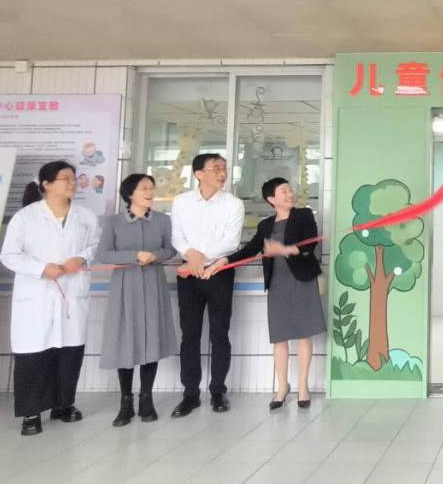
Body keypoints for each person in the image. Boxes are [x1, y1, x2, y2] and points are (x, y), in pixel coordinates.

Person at [0, 161, 100, 436]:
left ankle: (64, 405)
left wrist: (81, 258)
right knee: (34, 355)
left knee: (69, 353)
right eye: (65, 178)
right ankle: (31, 412)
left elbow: (95, 245)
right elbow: (9, 255)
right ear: (46, 184)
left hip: (71, 294)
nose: (72, 183)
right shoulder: (26, 217)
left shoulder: (85, 215)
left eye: (74, 178)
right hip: (37, 296)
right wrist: (41, 268)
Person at [211, 178, 326, 410]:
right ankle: (282, 387)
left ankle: (303, 387)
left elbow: (309, 244)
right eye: (284, 191)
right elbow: (250, 250)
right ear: (271, 199)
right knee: (279, 336)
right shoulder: (265, 225)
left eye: (290, 190)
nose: (290, 194)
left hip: (302, 280)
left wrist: (285, 249)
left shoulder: (303, 215)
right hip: (277, 283)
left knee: (303, 334)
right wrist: (225, 260)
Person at [96, 174, 177, 427]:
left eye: (152, 188)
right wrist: (134, 255)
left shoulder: (163, 220)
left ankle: (146, 398)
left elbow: (171, 249)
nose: (150, 192)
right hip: (125, 286)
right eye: (144, 188)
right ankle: (125, 401)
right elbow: (102, 254)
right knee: (125, 341)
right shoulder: (113, 222)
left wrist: (155, 256)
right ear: (130, 194)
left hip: (153, 284)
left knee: (151, 339)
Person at [170, 153, 244, 417]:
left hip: (219, 273)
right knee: (189, 334)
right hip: (188, 274)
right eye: (216, 168)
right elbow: (176, 235)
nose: (222, 173)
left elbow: (231, 241)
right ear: (199, 174)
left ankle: (217, 391)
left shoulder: (233, 204)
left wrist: (200, 259)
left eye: (224, 168)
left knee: (219, 334)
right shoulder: (181, 202)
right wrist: (191, 255)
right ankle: (190, 394)